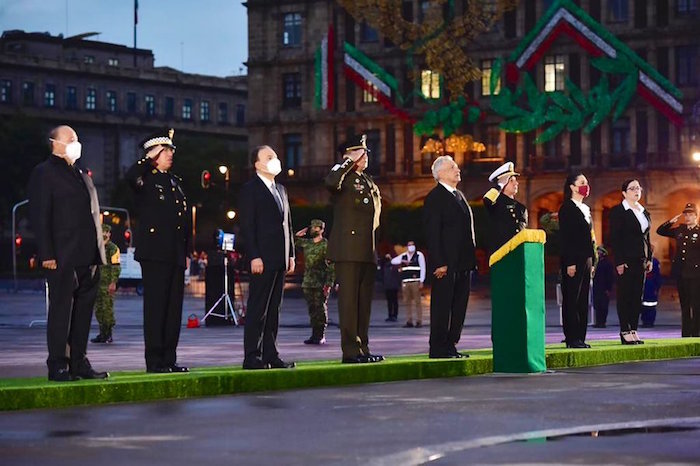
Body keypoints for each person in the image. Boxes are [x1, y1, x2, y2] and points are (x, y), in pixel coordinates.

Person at [27, 125, 109, 381]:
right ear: (56, 143)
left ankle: (78, 361)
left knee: (83, 312)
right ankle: (58, 364)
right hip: (62, 255)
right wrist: (46, 253)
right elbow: (40, 216)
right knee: (62, 311)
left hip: (88, 255)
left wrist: (99, 252)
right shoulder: (44, 173)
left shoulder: (81, 174)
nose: (77, 144)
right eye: (72, 140)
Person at [125, 129, 191, 373]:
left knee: (173, 309)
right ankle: (154, 361)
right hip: (155, 253)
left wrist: (187, 250)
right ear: (153, 155)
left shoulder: (175, 182)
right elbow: (130, 177)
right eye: (165, 151)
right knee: (156, 308)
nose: (171, 154)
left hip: (175, 252)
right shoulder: (145, 179)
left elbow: (184, 221)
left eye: (171, 150)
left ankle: (169, 359)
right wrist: (147, 159)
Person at [326, 135, 384, 364]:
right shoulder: (342, 176)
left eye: (366, 153)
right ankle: (350, 351)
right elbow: (331, 182)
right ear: (348, 155)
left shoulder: (368, 180)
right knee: (349, 302)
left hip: (367, 249)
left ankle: (363, 348)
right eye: (360, 153)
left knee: (363, 303)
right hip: (348, 249)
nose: (365, 156)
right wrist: (348, 162)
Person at [239, 145, 296, 369]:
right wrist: (254, 256)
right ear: (257, 164)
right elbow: (247, 226)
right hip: (262, 258)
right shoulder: (250, 189)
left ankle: (271, 354)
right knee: (258, 308)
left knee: (274, 309)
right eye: (269, 157)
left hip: (280, 257)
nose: (275, 160)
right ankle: (252, 355)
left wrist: (291, 254)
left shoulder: (281, 189)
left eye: (275, 156)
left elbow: (287, 224)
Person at [422, 155, 476, 359]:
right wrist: (439, 262)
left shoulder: (459, 195)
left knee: (459, 306)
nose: (457, 169)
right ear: (440, 173)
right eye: (453, 167)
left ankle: (451, 344)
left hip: (463, 263)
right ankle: (438, 347)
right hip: (446, 264)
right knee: (442, 306)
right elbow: (432, 233)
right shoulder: (435, 198)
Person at [609, 179, 652, 345]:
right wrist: (619, 261)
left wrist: (649, 258)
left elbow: (647, 237)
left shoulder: (643, 211)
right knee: (625, 296)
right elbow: (615, 238)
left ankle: (633, 329)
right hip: (626, 260)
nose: (636, 191)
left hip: (641, 260)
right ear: (624, 193)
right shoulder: (618, 211)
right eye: (632, 188)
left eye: (638, 188)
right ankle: (625, 330)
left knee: (636, 296)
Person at [557, 173, 595, 348]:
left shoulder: (585, 208)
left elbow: (590, 237)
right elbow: (567, 238)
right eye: (582, 183)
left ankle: (581, 336)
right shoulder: (567, 208)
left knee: (583, 299)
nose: (586, 186)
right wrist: (570, 262)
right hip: (573, 259)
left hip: (586, 258)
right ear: (572, 187)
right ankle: (572, 337)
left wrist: (593, 261)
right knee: (572, 298)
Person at [657, 203, 700, 336]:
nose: (687, 217)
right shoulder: (680, 230)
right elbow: (660, 231)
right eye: (686, 215)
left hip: (696, 274)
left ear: (696, 216)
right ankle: (686, 334)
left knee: (696, 305)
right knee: (685, 305)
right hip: (682, 273)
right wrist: (671, 222)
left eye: (690, 215)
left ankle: (696, 333)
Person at [295, 219, 335, 345]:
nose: (313, 229)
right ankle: (314, 334)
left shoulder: (326, 245)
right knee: (312, 309)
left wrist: (328, 284)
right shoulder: (307, 243)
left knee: (320, 308)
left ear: (322, 230)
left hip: (320, 282)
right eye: (312, 227)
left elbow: (331, 266)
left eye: (316, 227)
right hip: (308, 281)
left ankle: (320, 334)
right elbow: (294, 241)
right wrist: (300, 233)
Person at [482, 162, 528, 252]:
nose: (516, 183)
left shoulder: (521, 207)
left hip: (517, 251)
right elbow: (487, 200)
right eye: (511, 181)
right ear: (503, 183)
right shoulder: (496, 203)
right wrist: (500, 185)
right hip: (500, 252)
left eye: (516, 180)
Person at [91, 224, 121, 343]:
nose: (105, 234)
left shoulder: (112, 248)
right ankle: (102, 333)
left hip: (107, 283)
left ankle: (108, 334)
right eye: (103, 232)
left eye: (106, 232)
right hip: (97, 283)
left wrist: (113, 282)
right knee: (99, 309)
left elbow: (116, 267)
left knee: (107, 309)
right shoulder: (97, 247)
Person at [390, 240, 426, 327]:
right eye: (409, 245)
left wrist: (422, 281)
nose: (411, 247)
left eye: (412, 245)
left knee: (417, 302)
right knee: (407, 302)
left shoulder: (419, 255)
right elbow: (393, 261)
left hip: (415, 282)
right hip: (406, 282)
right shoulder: (404, 255)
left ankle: (419, 321)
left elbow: (423, 267)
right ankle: (409, 321)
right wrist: (403, 260)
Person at [592, 246, 614, 328]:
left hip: (604, 288)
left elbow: (610, 277)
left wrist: (608, 288)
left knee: (603, 306)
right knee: (597, 305)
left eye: (599, 252)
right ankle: (598, 322)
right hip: (597, 287)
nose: (598, 254)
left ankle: (603, 322)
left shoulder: (607, 263)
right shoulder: (596, 263)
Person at [640, 254, 661, 327]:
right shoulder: (653, 261)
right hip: (648, 285)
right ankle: (647, 320)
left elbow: (657, 275)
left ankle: (648, 320)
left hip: (650, 286)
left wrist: (657, 287)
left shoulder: (654, 262)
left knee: (649, 305)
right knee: (645, 305)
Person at [381, 254, 400, 322]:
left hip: (390, 286)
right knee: (393, 302)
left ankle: (392, 315)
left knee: (391, 302)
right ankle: (393, 315)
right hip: (392, 286)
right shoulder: (388, 266)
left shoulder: (387, 267)